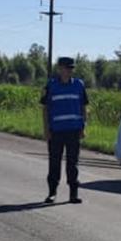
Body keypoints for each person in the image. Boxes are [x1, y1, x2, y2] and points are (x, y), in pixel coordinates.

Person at [40, 57, 89, 204]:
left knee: (72, 164)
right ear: (59, 69)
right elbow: (45, 109)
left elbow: (84, 108)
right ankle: (52, 193)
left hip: (74, 130)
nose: (68, 71)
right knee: (54, 163)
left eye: (71, 68)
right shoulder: (51, 85)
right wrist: (46, 129)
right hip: (56, 131)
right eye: (66, 68)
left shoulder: (79, 85)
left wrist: (83, 126)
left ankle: (73, 194)